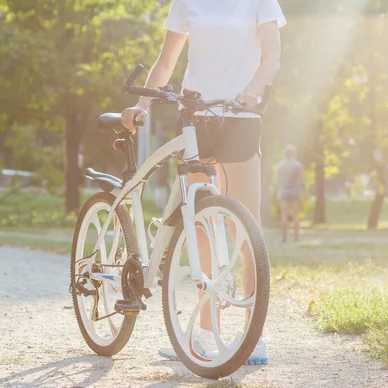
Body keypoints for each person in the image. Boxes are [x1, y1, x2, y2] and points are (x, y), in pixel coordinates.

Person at [121, 0, 286, 365]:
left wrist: (251, 92)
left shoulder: (261, 2)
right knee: (200, 225)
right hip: (195, 117)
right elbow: (166, 63)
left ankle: (253, 334)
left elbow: (271, 57)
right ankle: (206, 332)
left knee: (246, 227)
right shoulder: (186, 3)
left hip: (241, 117)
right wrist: (143, 107)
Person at [276, 145, 304, 242]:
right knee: (296, 214)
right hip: (295, 192)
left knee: (284, 214)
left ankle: (284, 238)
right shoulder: (298, 165)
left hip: (284, 191)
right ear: (294, 154)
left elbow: (278, 181)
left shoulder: (280, 166)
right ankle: (296, 238)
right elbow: (301, 180)